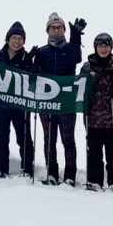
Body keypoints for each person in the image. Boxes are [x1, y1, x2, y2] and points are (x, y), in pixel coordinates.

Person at [29, 12, 87, 185]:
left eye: (59, 27)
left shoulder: (70, 49)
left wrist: (75, 37)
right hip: (47, 103)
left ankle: (70, 175)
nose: (56, 30)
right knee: (49, 140)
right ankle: (52, 173)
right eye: (53, 27)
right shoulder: (41, 52)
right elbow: (34, 76)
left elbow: (77, 57)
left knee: (68, 140)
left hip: (67, 103)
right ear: (47, 31)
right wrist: (32, 67)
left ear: (63, 30)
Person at [80, 33, 113, 191]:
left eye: (106, 46)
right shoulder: (87, 67)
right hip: (92, 117)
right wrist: (90, 79)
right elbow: (80, 88)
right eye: (100, 46)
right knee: (94, 152)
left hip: (112, 117)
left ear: (111, 48)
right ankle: (94, 181)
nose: (103, 49)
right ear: (95, 47)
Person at [0, 21, 34, 179]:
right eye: (14, 38)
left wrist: (31, 67)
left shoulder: (27, 57)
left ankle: (27, 169)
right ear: (7, 39)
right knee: (0, 137)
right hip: (0, 104)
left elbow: (33, 80)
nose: (17, 41)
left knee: (24, 137)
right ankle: (1, 169)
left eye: (20, 39)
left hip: (20, 105)